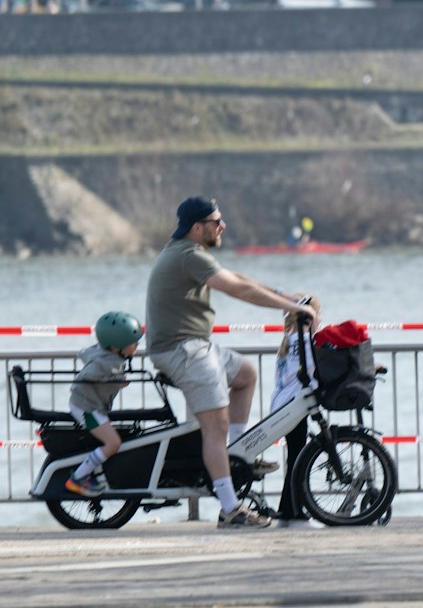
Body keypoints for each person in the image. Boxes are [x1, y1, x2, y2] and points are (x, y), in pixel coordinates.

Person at [146, 196, 319, 529]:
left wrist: (286, 296)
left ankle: (237, 455)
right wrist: (294, 310)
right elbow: (237, 289)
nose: (222, 226)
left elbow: (238, 277)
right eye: (216, 221)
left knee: (245, 374)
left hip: (195, 346)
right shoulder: (186, 255)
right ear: (198, 228)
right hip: (181, 350)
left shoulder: (192, 254)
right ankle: (230, 509)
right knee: (216, 426)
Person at [63, 311, 145, 498]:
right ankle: (78, 477)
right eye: (134, 343)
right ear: (117, 347)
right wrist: (115, 379)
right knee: (113, 443)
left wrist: (115, 379)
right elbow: (89, 374)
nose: (138, 346)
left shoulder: (102, 352)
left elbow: (84, 353)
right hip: (87, 408)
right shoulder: (109, 364)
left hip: (87, 404)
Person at [270, 296, 321, 527]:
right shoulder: (304, 341)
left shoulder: (288, 340)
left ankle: (287, 507)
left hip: (282, 405)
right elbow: (316, 368)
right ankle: (295, 508)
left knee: (294, 456)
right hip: (294, 406)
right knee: (298, 458)